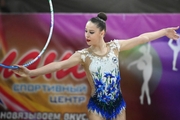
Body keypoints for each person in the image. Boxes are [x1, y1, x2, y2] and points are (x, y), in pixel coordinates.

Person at [13, 12, 179, 120]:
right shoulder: (83, 56)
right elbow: (58, 66)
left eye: (91, 32)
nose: (86, 35)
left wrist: (164, 32)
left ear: (102, 33)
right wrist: (30, 72)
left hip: (119, 106)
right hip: (97, 108)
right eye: (85, 31)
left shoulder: (115, 47)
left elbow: (143, 38)